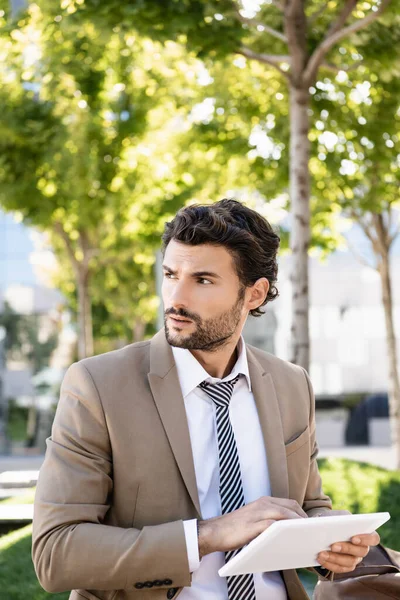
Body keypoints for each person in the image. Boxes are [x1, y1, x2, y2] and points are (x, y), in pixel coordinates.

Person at [32, 199, 379, 600]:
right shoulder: (97, 385)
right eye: (170, 274)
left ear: (254, 294)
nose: (176, 298)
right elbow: (55, 553)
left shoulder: (291, 384)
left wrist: (331, 544)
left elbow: (308, 505)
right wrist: (209, 535)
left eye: (203, 280)